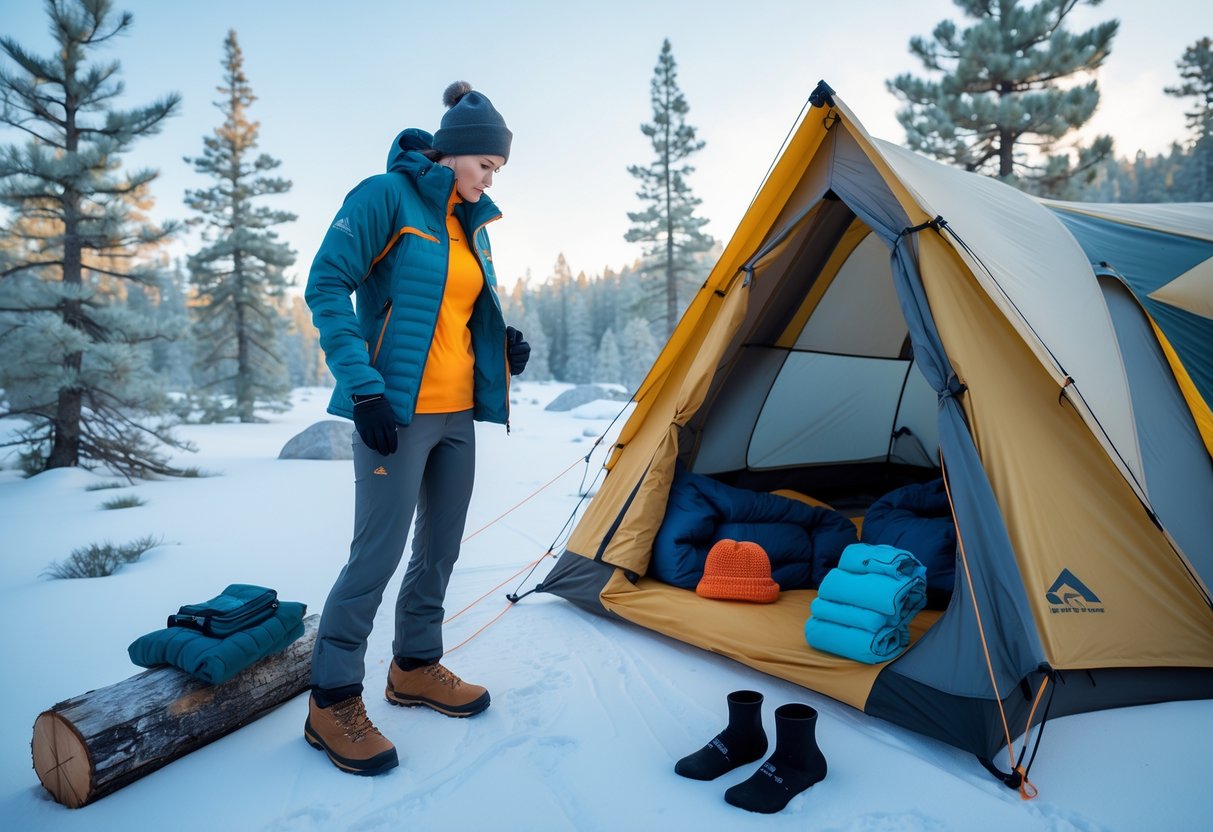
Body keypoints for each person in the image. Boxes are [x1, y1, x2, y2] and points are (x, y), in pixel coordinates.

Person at [302, 81, 530, 776]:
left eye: (496, 170)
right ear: (458, 153)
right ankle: (332, 699)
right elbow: (325, 285)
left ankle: (414, 667)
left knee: (439, 549)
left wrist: (500, 348)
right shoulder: (384, 196)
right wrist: (363, 388)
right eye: (488, 164)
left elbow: (449, 315)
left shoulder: (469, 223)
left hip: (456, 416)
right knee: (374, 556)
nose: (492, 177)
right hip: (394, 416)